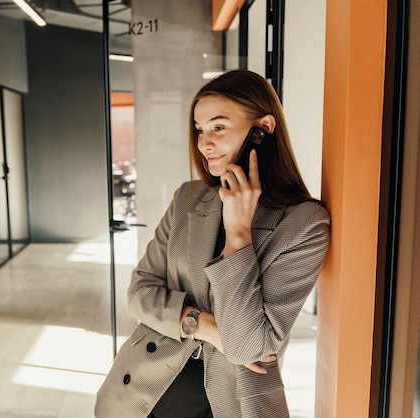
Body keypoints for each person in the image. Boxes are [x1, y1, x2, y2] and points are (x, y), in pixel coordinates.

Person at [94, 69, 331, 417]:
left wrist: (238, 234)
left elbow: (250, 346)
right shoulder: (189, 199)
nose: (205, 142)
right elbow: (140, 291)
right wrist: (200, 324)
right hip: (143, 389)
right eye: (200, 129)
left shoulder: (304, 225)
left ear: (262, 129)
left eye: (218, 127)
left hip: (230, 401)